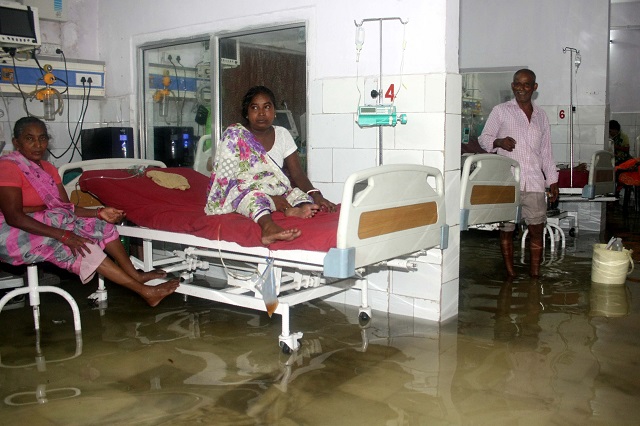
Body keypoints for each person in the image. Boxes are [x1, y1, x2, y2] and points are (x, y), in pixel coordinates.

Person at [0, 117, 180, 307]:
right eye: (30, 139)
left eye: (42, 138)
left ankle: (135, 274)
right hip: (12, 232)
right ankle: (145, 292)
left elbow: (65, 208)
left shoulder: (49, 169)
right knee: (80, 245)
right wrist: (64, 235)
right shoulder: (8, 167)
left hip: (47, 222)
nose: (38, 145)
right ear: (16, 142)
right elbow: (14, 216)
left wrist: (100, 212)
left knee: (101, 226)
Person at [205, 86, 336, 245]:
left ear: (274, 111)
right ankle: (268, 228)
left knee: (299, 195)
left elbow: (297, 174)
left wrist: (316, 195)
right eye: (255, 107)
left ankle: (292, 210)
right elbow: (226, 181)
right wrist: (270, 198)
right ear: (247, 113)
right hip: (246, 191)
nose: (261, 113)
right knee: (255, 199)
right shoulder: (234, 136)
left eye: (267, 107)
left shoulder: (282, 134)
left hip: (275, 188)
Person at [479, 69, 559, 278]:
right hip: (508, 182)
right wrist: (498, 141)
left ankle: (534, 275)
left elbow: (547, 152)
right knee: (506, 230)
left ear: (534, 87)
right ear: (512, 85)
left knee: (536, 231)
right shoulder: (501, 111)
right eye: (517, 84)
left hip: (534, 181)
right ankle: (511, 274)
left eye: (526, 84)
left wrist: (552, 181)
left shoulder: (541, 116)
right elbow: (483, 138)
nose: (521, 88)